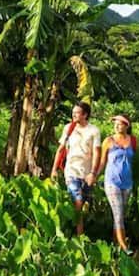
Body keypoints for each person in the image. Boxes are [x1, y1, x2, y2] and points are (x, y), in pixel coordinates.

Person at [50, 101, 102, 236]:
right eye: (73, 112)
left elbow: (97, 152)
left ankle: (74, 229)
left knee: (84, 204)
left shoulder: (94, 131)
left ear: (85, 115)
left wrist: (93, 173)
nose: (74, 115)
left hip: (86, 173)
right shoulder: (68, 128)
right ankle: (80, 237)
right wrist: (54, 169)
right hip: (71, 170)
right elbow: (60, 150)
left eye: (77, 113)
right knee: (77, 202)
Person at [96, 114, 136, 252]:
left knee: (120, 215)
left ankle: (115, 246)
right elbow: (102, 163)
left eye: (120, 124)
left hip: (127, 183)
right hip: (112, 182)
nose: (117, 126)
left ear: (127, 125)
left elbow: (138, 162)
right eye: (115, 124)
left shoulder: (133, 141)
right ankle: (125, 247)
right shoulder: (108, 141)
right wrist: (94, 175)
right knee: (118, 214)